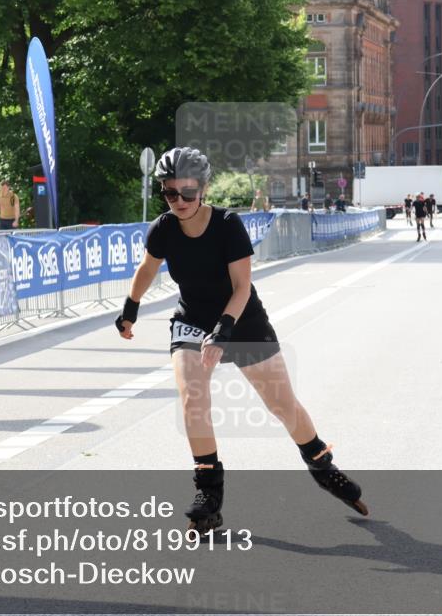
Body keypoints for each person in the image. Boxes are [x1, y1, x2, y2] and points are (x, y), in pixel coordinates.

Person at [115, 147, 367, 533]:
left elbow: (242, 287)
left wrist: (225, 331)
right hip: (192, 319)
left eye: (187, 192)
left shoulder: (228, 225)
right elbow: (147, 268)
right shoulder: (164, 228)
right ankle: (208, 492)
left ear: (204, 188)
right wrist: (130, 308)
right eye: (169, 193)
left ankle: (321, 463)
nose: (179, 201)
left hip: (242, 319)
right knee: (192, 396)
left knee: (281, 405)